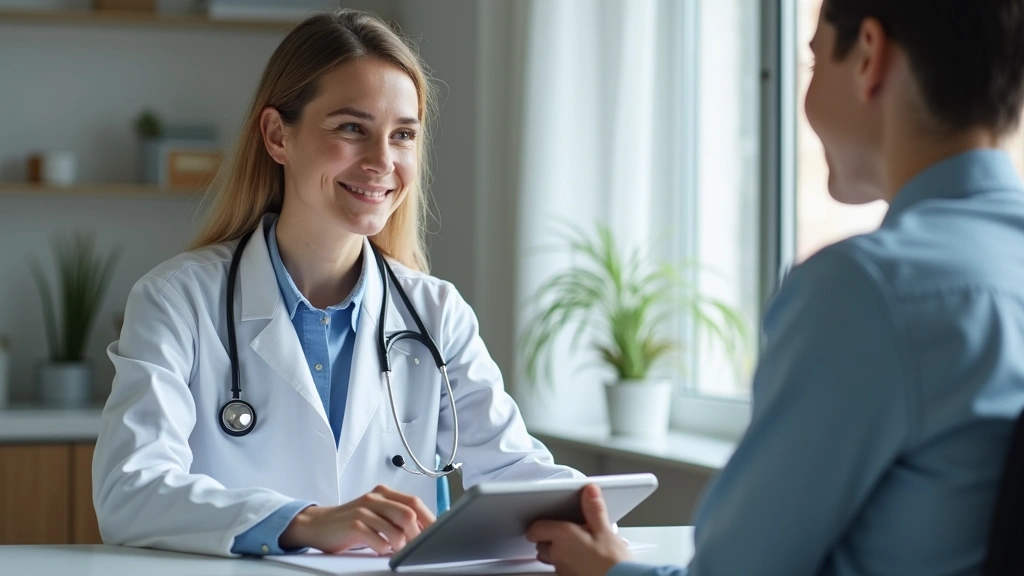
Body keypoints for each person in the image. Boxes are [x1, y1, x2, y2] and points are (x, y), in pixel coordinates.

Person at [526, 0, 1024, 574]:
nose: (805, 98)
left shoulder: (867, 292)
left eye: (812, 65)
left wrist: (609, 570)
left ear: (868, 54)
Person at [92, 9, 580, 558]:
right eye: (351, 128)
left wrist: (583, 513)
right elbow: (129, 490)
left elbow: (514, 468)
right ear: (278, 135)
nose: (381, 161)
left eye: (402, 135)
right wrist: (305, 522)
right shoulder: (178, 301)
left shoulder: (435, 312)